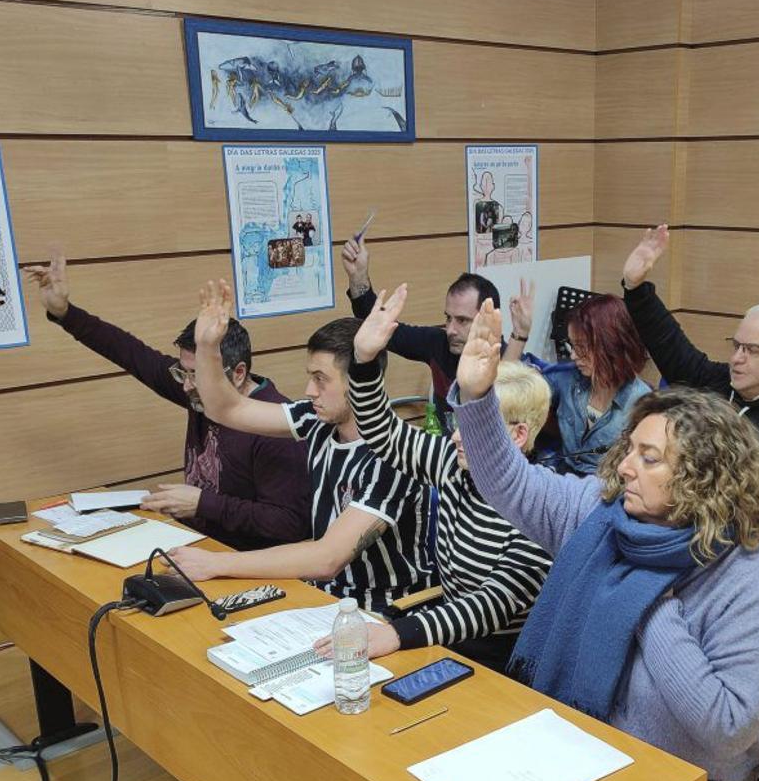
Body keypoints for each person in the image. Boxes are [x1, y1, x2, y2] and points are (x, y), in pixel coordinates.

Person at [450, 300, 759, 781]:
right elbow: (511, 483)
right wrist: (477, 398)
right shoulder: (609, 517)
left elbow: (729, 725)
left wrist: (648, 601)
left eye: (649, 456)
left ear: (704, 477)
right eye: (630, 448)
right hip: (583, 758)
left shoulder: (749, 571)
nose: (624, 466)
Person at [309, 283, 552, 672]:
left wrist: (397, 633)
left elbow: (490, 606)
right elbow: (384, 433)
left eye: (474, 426)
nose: (455, 436)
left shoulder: (540, 505)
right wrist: (364, 360)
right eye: (458, 421)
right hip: (447, 642)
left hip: (505, 662)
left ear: (518, 435)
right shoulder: (453, 463)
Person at [168, 280, 433, 616]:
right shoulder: (317, 420)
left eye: (320, 379)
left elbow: (327, 559)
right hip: (321, 599)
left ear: (360, 381)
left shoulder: (395, 456)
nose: (309, 390)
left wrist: (215, 563)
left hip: (383, 613)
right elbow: (226, 409)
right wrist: (208, 349)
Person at [25, 253, 309, 552]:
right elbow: (130, 352)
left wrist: (203, 504)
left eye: (197, 374)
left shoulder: (277, 428)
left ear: (238, 373)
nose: (186, 385)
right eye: (183, 372)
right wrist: (65, 313)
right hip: (195, 545)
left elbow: (290, 524)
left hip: (245, 560)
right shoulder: (199, 391)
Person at [621, 225, 759, 537]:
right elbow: (673, 350)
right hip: (685, 525)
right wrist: (635, 288)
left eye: (753, 350)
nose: (737, 358)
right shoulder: (722, 383)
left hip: (744, 542)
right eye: (736, 346)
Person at [339, 235, 508, 428]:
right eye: (448, 318)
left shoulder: (509, 362)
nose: (450, 330)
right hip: (444, 445)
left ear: (488, 320)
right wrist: (358, 276)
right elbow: (379, 327)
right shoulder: (439, 343)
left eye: (462, 320)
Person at [543, 293, 652, 475]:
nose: (573, 355)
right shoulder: (569, 378)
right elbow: (520, 392)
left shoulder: (641, 403)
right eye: (572, 345)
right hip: (563, 478)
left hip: (604, 487)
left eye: (581, 347)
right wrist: (520, 335)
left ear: (610, 345)